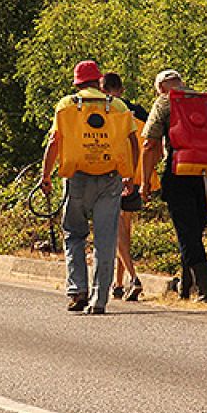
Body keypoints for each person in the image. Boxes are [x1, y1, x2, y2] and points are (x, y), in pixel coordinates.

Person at [40, 60, 139, 314]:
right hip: (110, 177)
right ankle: (99, 300)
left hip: (77, 178)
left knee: (74, 234)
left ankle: (77, 291)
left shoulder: (66, 106)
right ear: (99, 81)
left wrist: (46, 175)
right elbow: (133, 142)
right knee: (106, 239)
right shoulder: (117, 106)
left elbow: (54, 141)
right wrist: (130, 174)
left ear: (77, 82)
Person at [140, 69, 207, 302]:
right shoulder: (206, 102)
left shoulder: (164, 102)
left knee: (187, 232)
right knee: (192, 231)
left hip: (179, 171)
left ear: (161, 88)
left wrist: (145, 182)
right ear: (181, 83)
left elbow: (150, 144)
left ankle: (204, 286)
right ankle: (186, 284)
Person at [99, 72, 148, 302]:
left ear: (103, 90)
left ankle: (133, 277)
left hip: (115, 173)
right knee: (125, 230)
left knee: (117, 232)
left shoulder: (108, 110)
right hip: (136, 174)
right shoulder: (138, 111)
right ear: (122, 88)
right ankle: (118, 285)